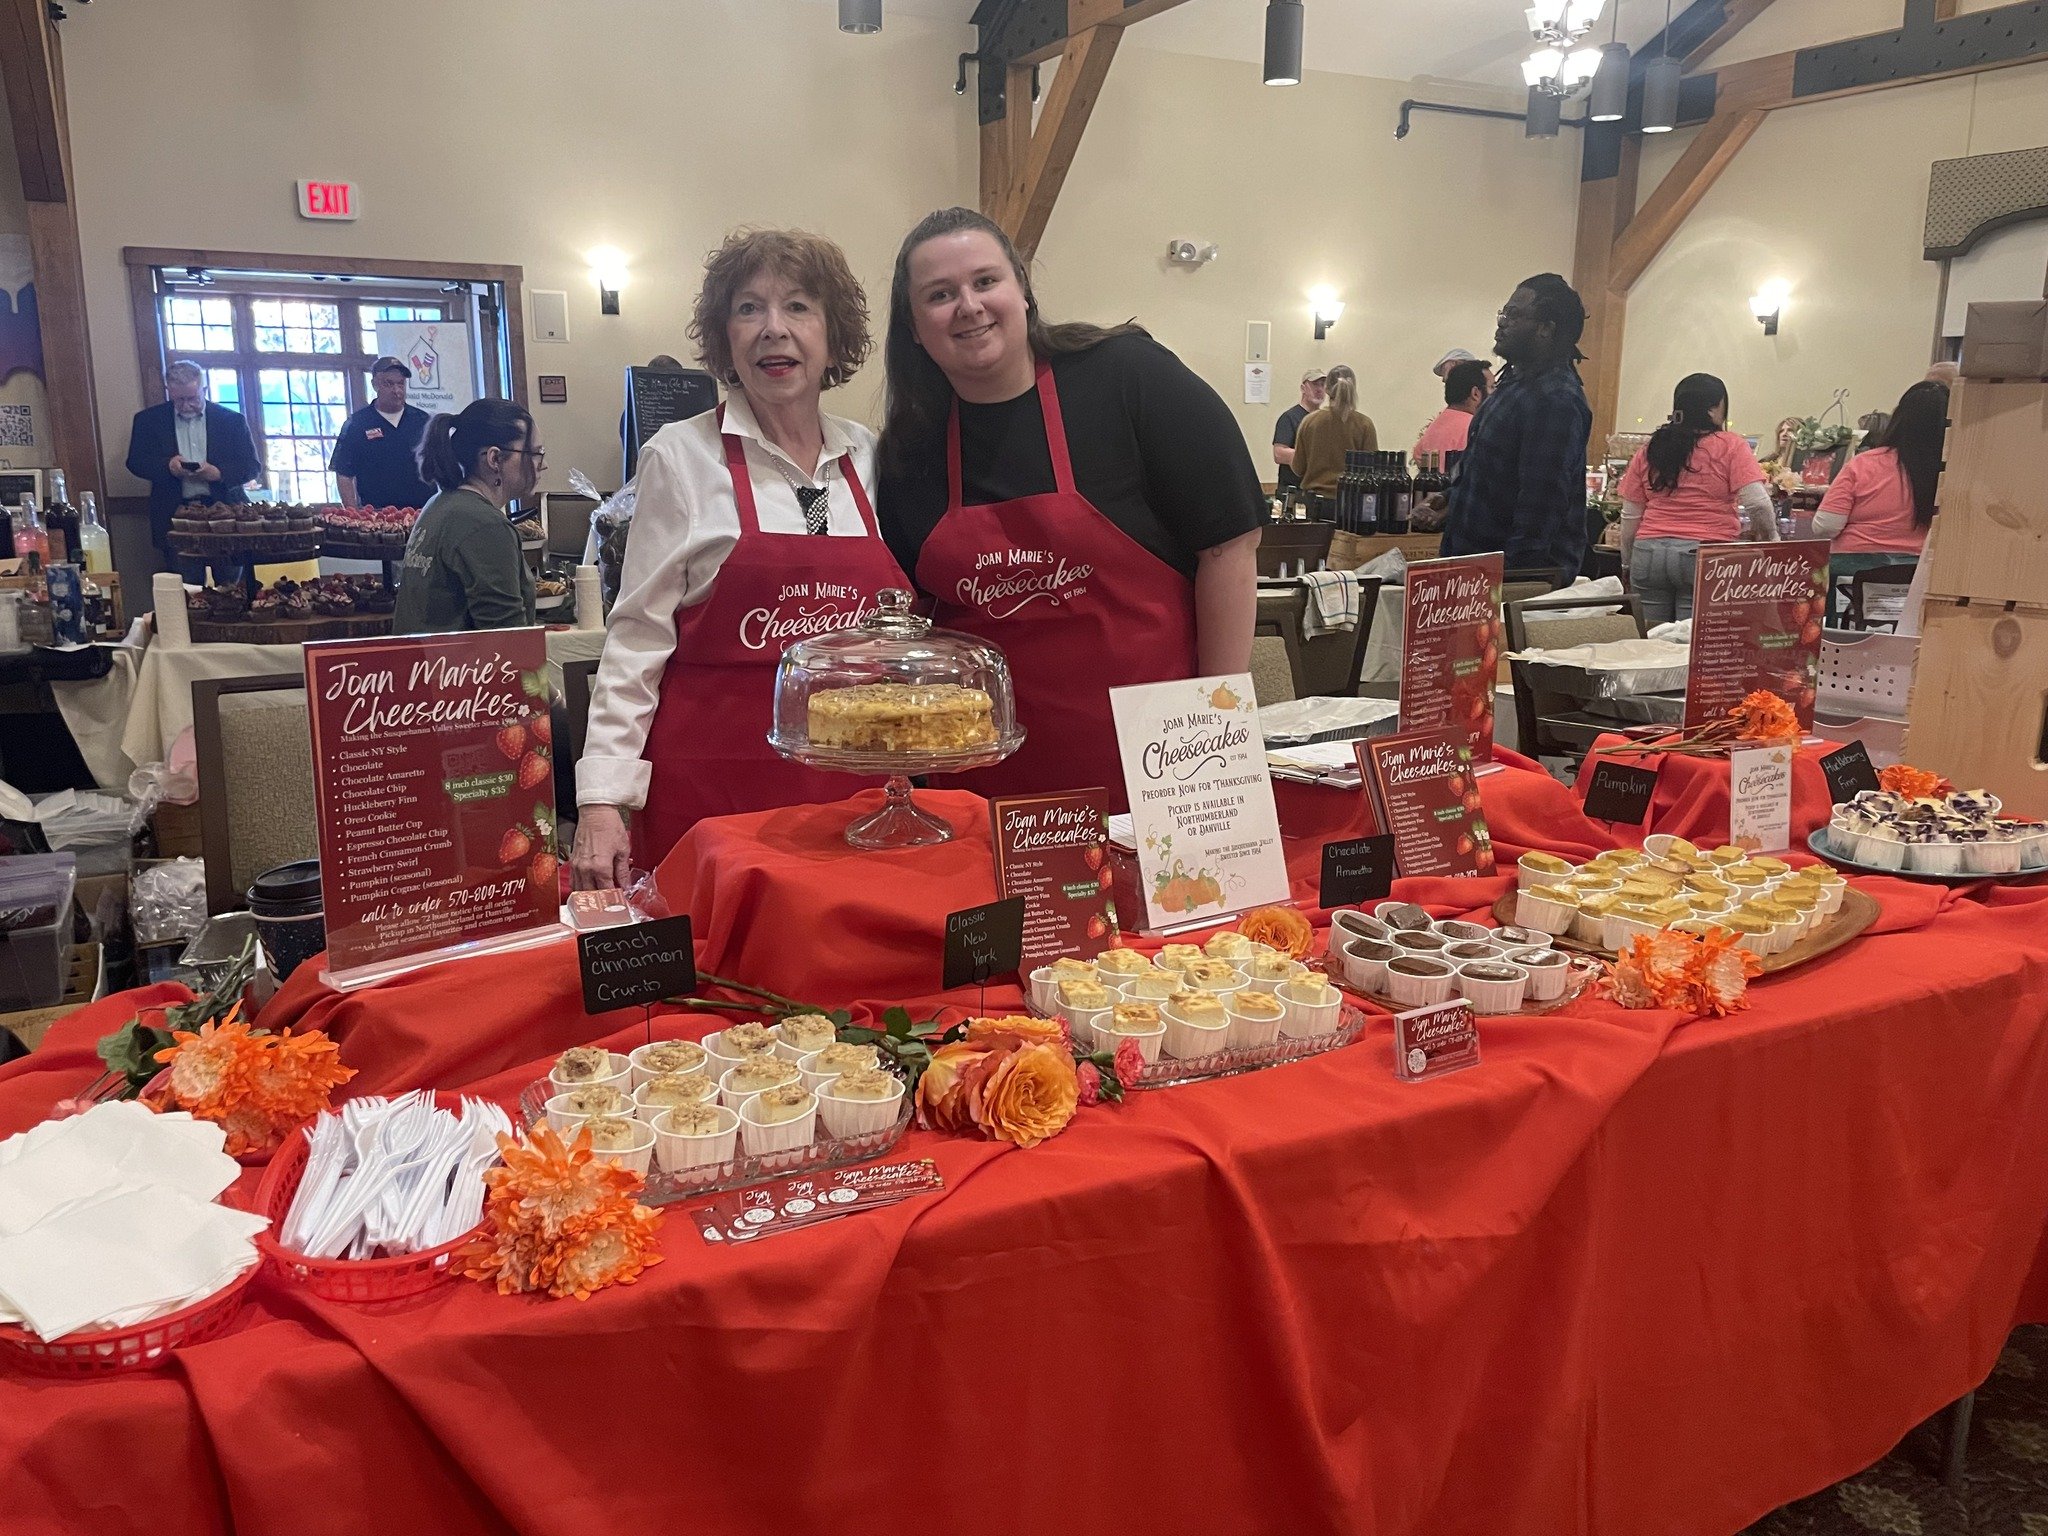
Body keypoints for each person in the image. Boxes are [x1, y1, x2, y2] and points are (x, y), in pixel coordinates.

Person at [877, 205, 1263, 809]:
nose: (969, 306)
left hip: (1165, 766)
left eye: (985, 281)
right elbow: (913, 619)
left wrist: (1217, 721)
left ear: (1023, 291)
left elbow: (1229, 546)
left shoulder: (1128, 379)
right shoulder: (911, 451)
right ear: (915, 327)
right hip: (985, 787)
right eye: (940, 294)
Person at [572, 229, 905, 888]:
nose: (772, 330)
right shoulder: (681, 455)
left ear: (834, 337)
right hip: (715, 794)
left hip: (856, 793)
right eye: (748, 309)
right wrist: (601, 800)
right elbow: (637, 639)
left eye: (799, 307)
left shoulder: (873, 459)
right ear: (724, 338)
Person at [1440, 274, 1594, 583]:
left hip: (1508, 580)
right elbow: (1493, 472)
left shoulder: (1555, 399)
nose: (1502, 323)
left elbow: (1540, 507)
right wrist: (1449, 499)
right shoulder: (1514, 382)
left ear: (1545, 329)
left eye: (1514, 315)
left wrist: (1511, 585)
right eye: (1503, 313)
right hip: (1474, 569)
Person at [1615, 373, 1776, 626]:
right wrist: (1771, 541)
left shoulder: (1652, 447)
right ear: (1715, 407)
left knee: (1648, 643)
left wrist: (1626, 562)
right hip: (1704, 556)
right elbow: (1758, 503)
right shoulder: (1731, 445)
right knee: (1689, 648)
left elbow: (1631, 514)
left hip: (1648, 553)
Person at [391, 398, 539, 634]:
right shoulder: (483, 523)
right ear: (494, 459)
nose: (542, 464)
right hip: (455, 669)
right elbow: (507, 639)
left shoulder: (440, 504)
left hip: (427, 666)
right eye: (534, 453)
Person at [1812, 379, 1947, 624]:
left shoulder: (1864, 464)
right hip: (1919, 578)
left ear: (1899, 418)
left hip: (1851, 574)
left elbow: (1825, 526)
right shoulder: (1952, 474)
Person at [124, 360, 262, 585]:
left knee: (232, 589)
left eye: (193, 398)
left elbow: (252, 466)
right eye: (179, 399)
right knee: (187, 591)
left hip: (226, 514)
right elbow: (136, 462)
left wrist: (218, 473)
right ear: (169, 391)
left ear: (204, 390)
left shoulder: (231, 421)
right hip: (176, 516)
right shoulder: (148, 421)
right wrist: (167, 466)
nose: (186, 405)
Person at [328, 357, 435, 511]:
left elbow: (440, 466)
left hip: (421, 513)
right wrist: (353, 514)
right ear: (374, 385)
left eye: (400, 384)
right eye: (389, 384)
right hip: (377, 516)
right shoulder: (357, 424)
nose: (396, 391)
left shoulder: (424, 421)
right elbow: (344, 473)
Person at [1289, 364, 1379, 510]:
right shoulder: (1364, 424)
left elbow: (1298, 468)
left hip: (1313, 504)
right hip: (1351, 505)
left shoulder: (1310, 422)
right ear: (1353, 388)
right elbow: (1371, 469)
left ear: (1327, 389)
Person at [1413, 359, 1491, 465]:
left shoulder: (1435, 425)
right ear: (1475, 393)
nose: (1496, 393)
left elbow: (1418, 456)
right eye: (1492, 387)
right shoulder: (1475, 427)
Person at [1271, 368, 1326, 497]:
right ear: (1303, 388)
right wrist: (1312, 456)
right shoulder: (1289, 418)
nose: (1319, 389)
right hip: (1293, 492)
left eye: (1323, 385)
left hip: (1318, 490)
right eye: (1314, 384)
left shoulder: (1326, 420)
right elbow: (1279, 454)